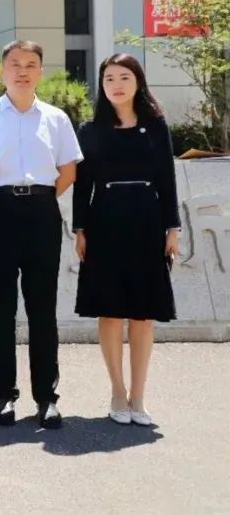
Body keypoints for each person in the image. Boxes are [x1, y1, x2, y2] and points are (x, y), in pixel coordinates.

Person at [0, 40, 82, 429]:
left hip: (41, 213)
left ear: (41, 71)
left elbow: (68, 171)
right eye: (15, 64)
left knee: (42, 310)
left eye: (31, 64)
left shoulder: (56, 118)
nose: (23, 71)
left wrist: (38, 197)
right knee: (1, 309)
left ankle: (46, 398)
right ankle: (4, 395)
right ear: (2, 70)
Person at [72, 53, 179, 427]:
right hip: (104, 221)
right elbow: (82, 186)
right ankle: (117, 391)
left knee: (143, 314)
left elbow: (167, 179)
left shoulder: (156, 126)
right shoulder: (91, 130)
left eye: (124, 78)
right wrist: (80, 229)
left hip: (147, 221)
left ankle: (138, 397)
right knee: (111, 310)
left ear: (138, 82)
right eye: (109, 79)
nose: (116, 85)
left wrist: (173, 228)